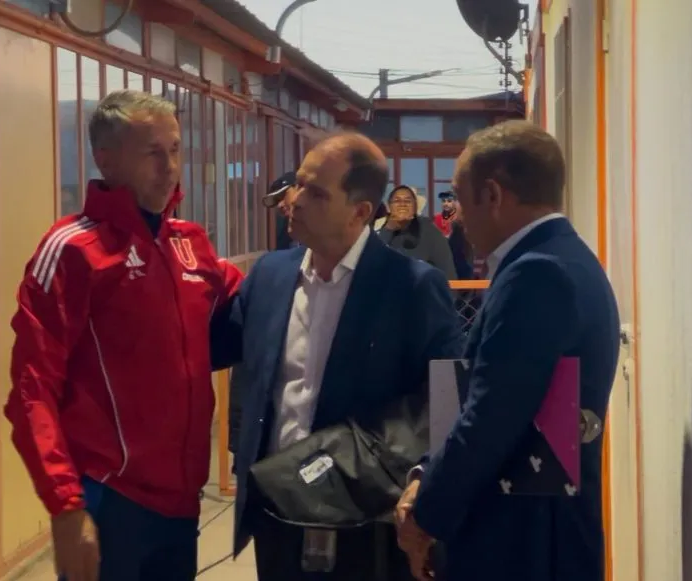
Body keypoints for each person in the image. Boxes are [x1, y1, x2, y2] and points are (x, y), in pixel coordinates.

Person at [4, 90, 242, 581]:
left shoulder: (190, 244)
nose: (169, 168)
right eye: (152, 153)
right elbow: (32, 389)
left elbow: (255, 305)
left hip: (182, 503)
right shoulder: (73, 250)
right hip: (110, 500)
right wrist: (66, 506)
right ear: (106, 160)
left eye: (175, 150)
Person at [212, 132, 463, 581]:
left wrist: (422, 486)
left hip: (362, 523)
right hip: (276, 512)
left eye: (316, 193)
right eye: (299, 184)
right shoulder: (269, 276)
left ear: (360, 212)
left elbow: (442, 401)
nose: (295, 200)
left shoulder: (410, 287)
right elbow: (213, 347)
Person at [395, 120, 620, 581]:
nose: (456, 216)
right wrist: (426, 472)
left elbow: (491, 417)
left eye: (460, 198)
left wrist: (425, 513)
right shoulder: (565, 257)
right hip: (539, 533)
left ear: (492, 194)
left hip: (524, 541)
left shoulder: (536, 274)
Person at [373, 185, 456, 280]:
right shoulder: (378, 228)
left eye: (407, 201)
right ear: (389, 207)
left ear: (415, 207)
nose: (402, 204)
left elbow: (447, 271)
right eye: (397, 201)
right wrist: (389, 228)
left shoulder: (430, 232)